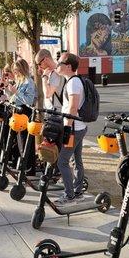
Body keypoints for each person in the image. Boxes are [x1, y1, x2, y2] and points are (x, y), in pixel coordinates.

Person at [55, 52, 87, 205]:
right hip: (78, 127)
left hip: (73, 128)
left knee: (62, 161)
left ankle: (69, 196)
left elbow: (73, 107)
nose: (57, 65)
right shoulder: (73, 81)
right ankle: (78, 192)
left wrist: (67, 129)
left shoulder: (74, 82)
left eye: (59, 62)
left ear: (68, 66)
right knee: (77, 160)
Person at [6, 58, 36, 174]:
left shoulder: (29, 81)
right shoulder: (20, 81)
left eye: (17, 70)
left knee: (26, 141)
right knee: (19, 141)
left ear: (22, 69)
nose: (15, 72)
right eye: (14, 70)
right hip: (17, 111)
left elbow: (29, 100)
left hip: (25, 111)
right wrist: (9, 91)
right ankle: (23, 164)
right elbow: (14, 98)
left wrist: (16, 92)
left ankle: (29, 167)